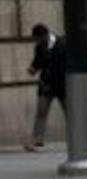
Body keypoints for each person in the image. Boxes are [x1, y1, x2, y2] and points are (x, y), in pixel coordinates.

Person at [23, 22, 64, 151]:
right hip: (46, 84)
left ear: (44, 36)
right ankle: (37, 139)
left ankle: (78, 137)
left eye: (38, 39)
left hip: (62, 85)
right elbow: (38, 61)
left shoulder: (62, 44)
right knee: (41, 111)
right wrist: (33, 69)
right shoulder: (39, 47)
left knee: (70, 112)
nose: (37, 42)